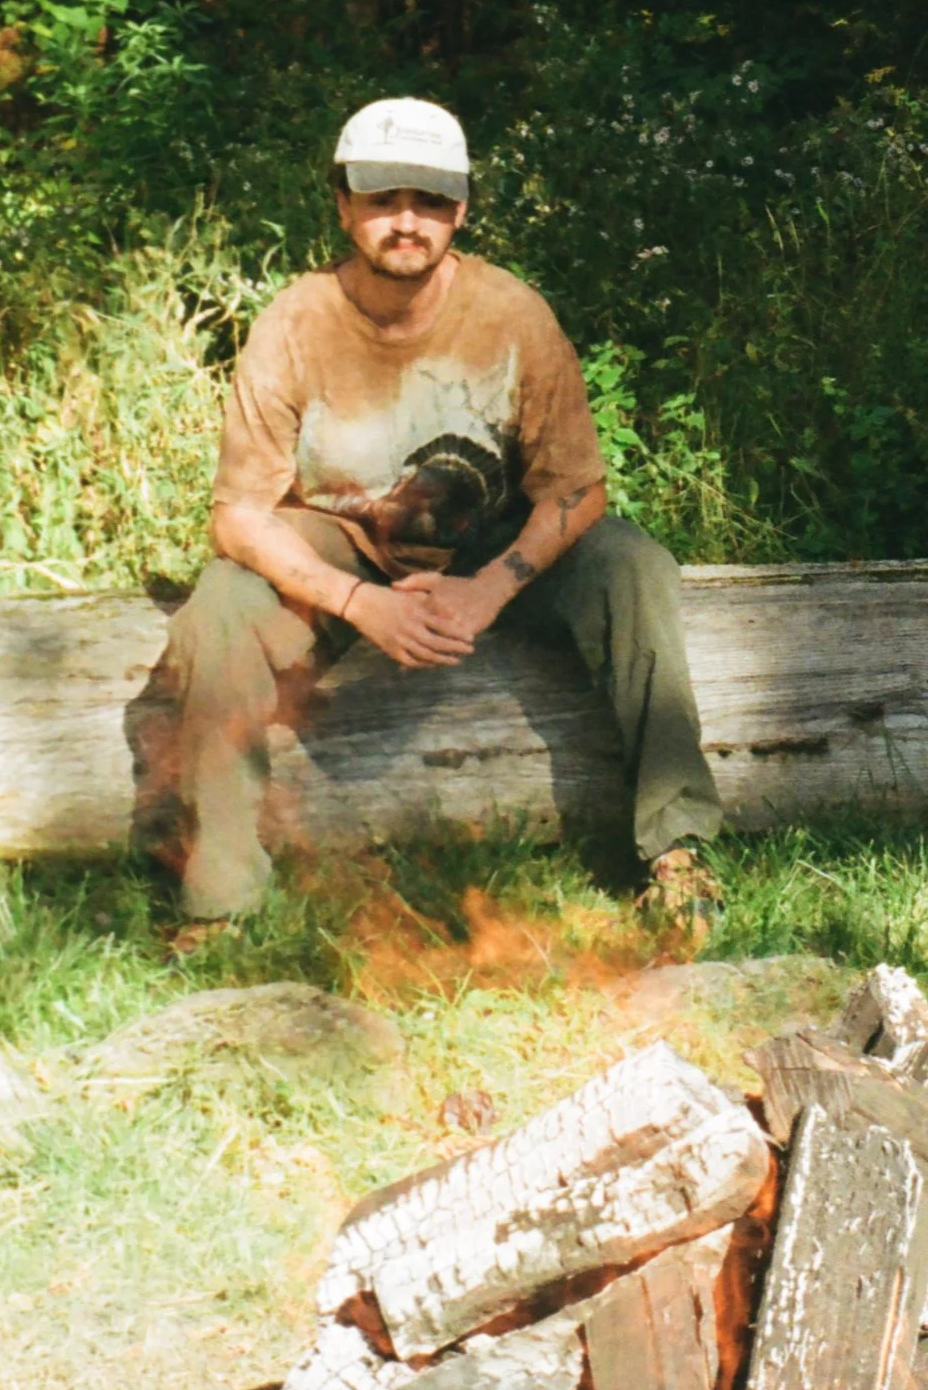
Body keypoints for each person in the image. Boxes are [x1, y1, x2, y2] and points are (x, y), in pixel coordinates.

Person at [126, 93, 726, 929]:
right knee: (221, 606)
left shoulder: (512, 313)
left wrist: (487, 592)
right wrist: (357, 603)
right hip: (343, 548)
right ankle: (220, 896)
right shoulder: (294, 322)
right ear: (343, 205)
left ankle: (678, 848)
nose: (406, 221)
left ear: (462, 210)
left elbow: (578, 490)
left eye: (430, 200)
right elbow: (237, 516)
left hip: (493, 542)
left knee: (635, 565)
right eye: (382, 199)